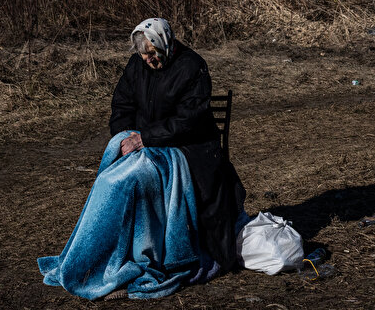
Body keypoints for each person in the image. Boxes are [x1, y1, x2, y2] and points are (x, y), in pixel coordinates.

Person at [38, 18, 246, 300]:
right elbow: (121, 104)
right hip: (145, 145)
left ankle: (148, 256)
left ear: (166, 43)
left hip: (186, 149)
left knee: (134, 178)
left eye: (153, 52)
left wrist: (146, 138)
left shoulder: (192, 66)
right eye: (143, 54)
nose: (148, 59)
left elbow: (188, 121)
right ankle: (104, 257)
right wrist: (124, 137)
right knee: (112, 178)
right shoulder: (137, 65)